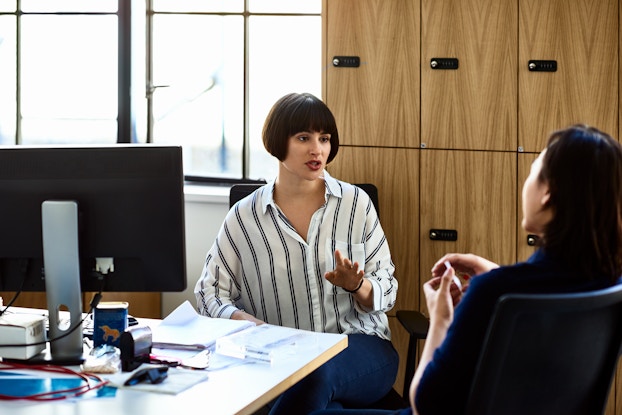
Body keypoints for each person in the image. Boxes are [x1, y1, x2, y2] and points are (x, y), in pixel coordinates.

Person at [309, 124, 622, 415]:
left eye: (532, 172)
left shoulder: (495, 292)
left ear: (547, 194)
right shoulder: (609, 284)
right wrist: (500, 277)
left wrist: (440, 320)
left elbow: (426, 404)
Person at [194, 92, 399, 414]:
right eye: (304, 137)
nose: (317, 149)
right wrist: (243, 320)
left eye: (325, 138)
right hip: (279, 355)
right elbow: (208, 293)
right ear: (278, 141)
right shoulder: (244, 216)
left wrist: (358, 286)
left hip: (358, 345)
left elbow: (387, 289)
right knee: (318, 404)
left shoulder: (356, 204)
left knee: (312, 377)